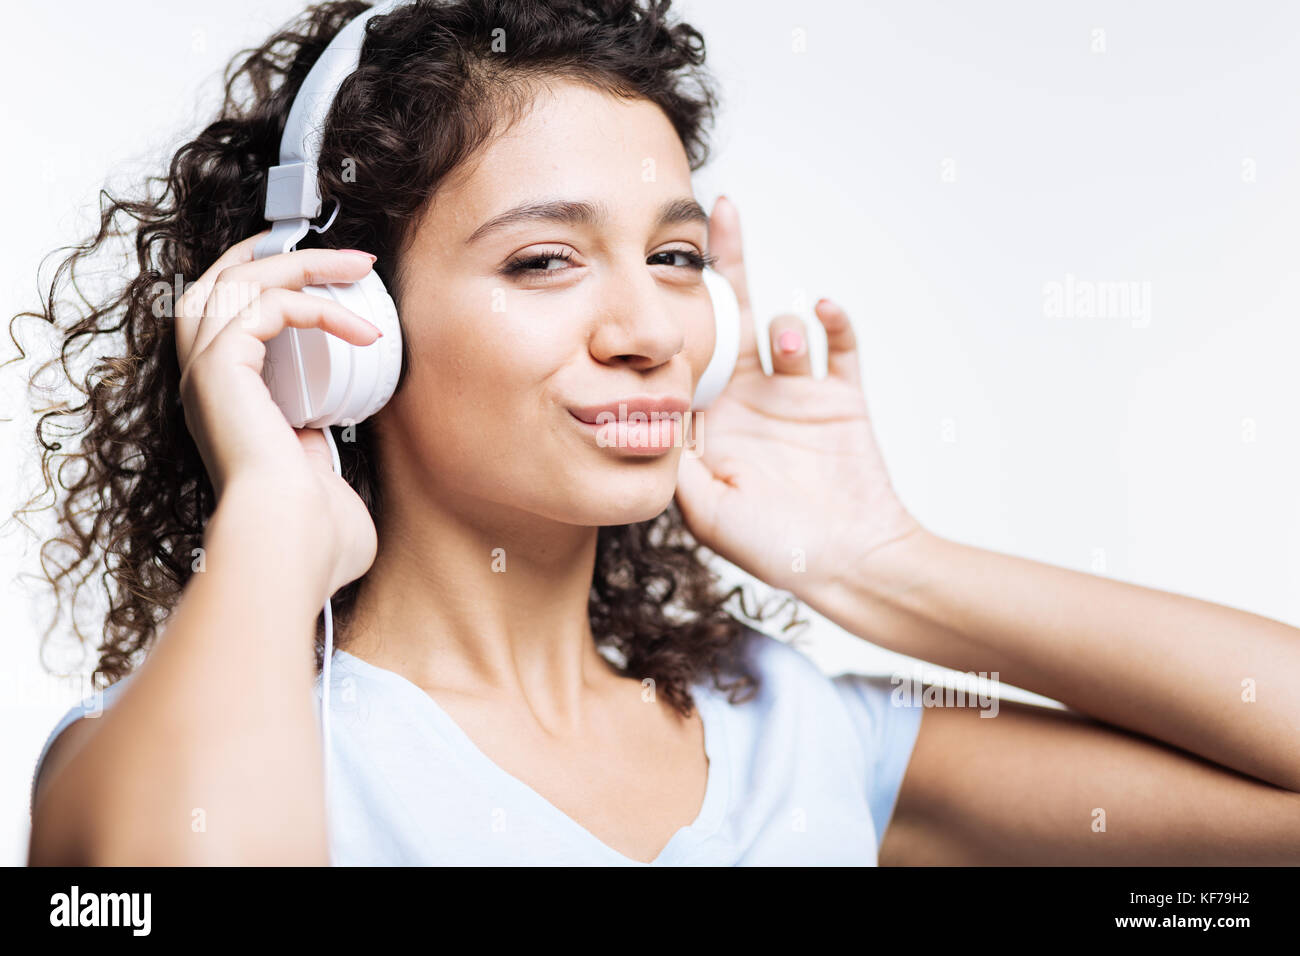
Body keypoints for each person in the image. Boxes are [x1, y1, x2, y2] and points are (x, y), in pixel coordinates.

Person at [18, 0, 1300, 866]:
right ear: (344, 318)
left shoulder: (799, 729)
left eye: (676, 255)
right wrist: (272, 524)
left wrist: (875, 559)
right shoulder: (166, 755)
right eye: (543, 261)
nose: (649, 327)